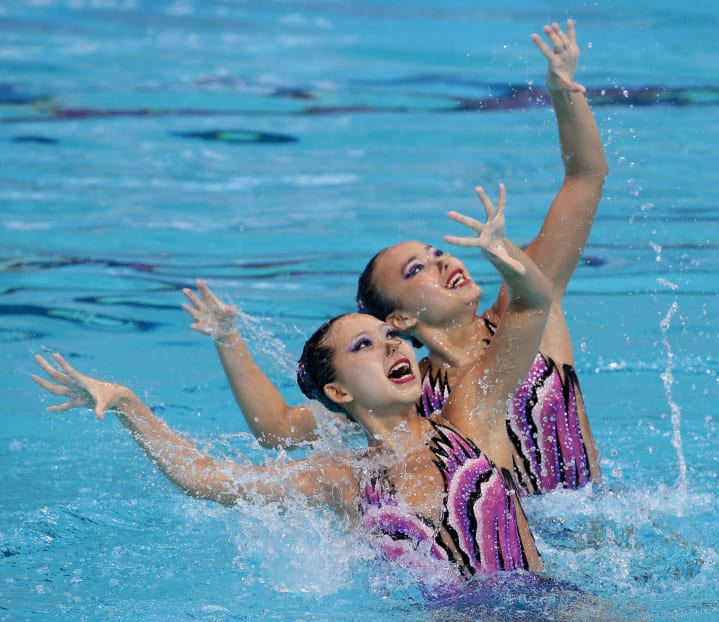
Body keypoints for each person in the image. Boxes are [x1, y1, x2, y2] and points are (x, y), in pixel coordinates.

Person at [33, 189, 553, 584]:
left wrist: (503, 253)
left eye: (391, 337)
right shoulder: (341, 478)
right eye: (365, 346)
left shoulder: (468, 414)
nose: (393, 347)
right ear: (340, 393)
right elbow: (207, 478)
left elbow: (533, 305)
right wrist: (127, 405)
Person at [183, 19, 607, 495]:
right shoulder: (403, 396)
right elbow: (277, 429)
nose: (443, 262)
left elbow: (585, 178)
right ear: (400, 319)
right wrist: (227, 337)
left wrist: (564, 91)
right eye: (416, 269)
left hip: (595, 525)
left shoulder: (526, 307)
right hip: (504, 537)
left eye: (437, 253)